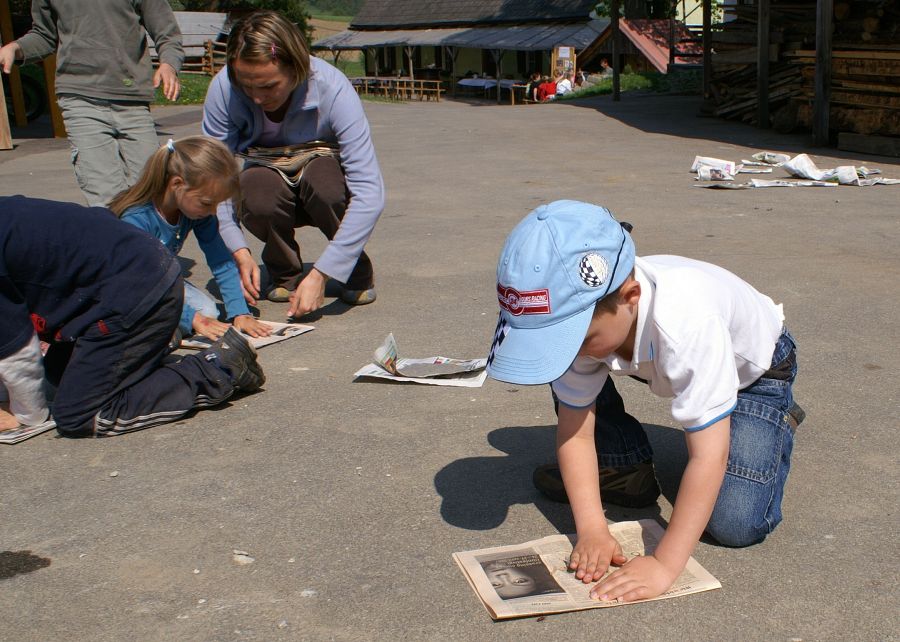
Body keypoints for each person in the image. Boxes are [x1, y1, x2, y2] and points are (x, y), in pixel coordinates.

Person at [486, 200, 802, 603]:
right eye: (556, 340)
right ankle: (624, 463)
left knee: (736, 524)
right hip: (650, 353)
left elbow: (709, 458)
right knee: (566, 371)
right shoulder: (591, 321)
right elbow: (575, 434)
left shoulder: (687, 325)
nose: (567, 353)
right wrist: (592, 529)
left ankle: (773, 419)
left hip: (756, 373)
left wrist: (665, 565)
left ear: (630, 295)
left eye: (575, 340)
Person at [0, 195, 265, 437]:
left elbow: (17, 353)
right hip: (131, 277)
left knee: (79, 414)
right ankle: (146, 346)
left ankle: (217, 368)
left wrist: (26, 416)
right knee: (62, 372)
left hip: (138, 292)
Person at [202, 10, 385, 319]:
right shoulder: (223, 89)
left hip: (322, 170)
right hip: (265, 170)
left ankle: (351, 267)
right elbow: (211, 180)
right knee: (254, 189)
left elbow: (369, 191)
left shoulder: (333, 87)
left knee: (325, 183)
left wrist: (321, 274)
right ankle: (284, 271)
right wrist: (237, 250)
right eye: (247, 87)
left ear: (296, 68)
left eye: (269, 86)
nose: (257, 99)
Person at [0, 0, 183, 207]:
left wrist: (169, 64)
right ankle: (115, 237)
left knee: (154, 191)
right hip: (79, 98)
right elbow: (44, 35)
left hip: (132, 99)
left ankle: (148, 238)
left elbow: (167, 33)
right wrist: (16, 48)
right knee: (106, 198)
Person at [108, 135, 271, 343]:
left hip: (158, 281)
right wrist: (191, 318)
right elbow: (135, 282)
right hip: (126, 287)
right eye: (206, 203)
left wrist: (240, 312)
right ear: (177, 184)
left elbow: (221, 260)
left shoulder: (195, 213)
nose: (213, 212)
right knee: (192, 317)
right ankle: (160, 330)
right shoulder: (137, 219)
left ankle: (165, 327)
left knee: (208, 311)